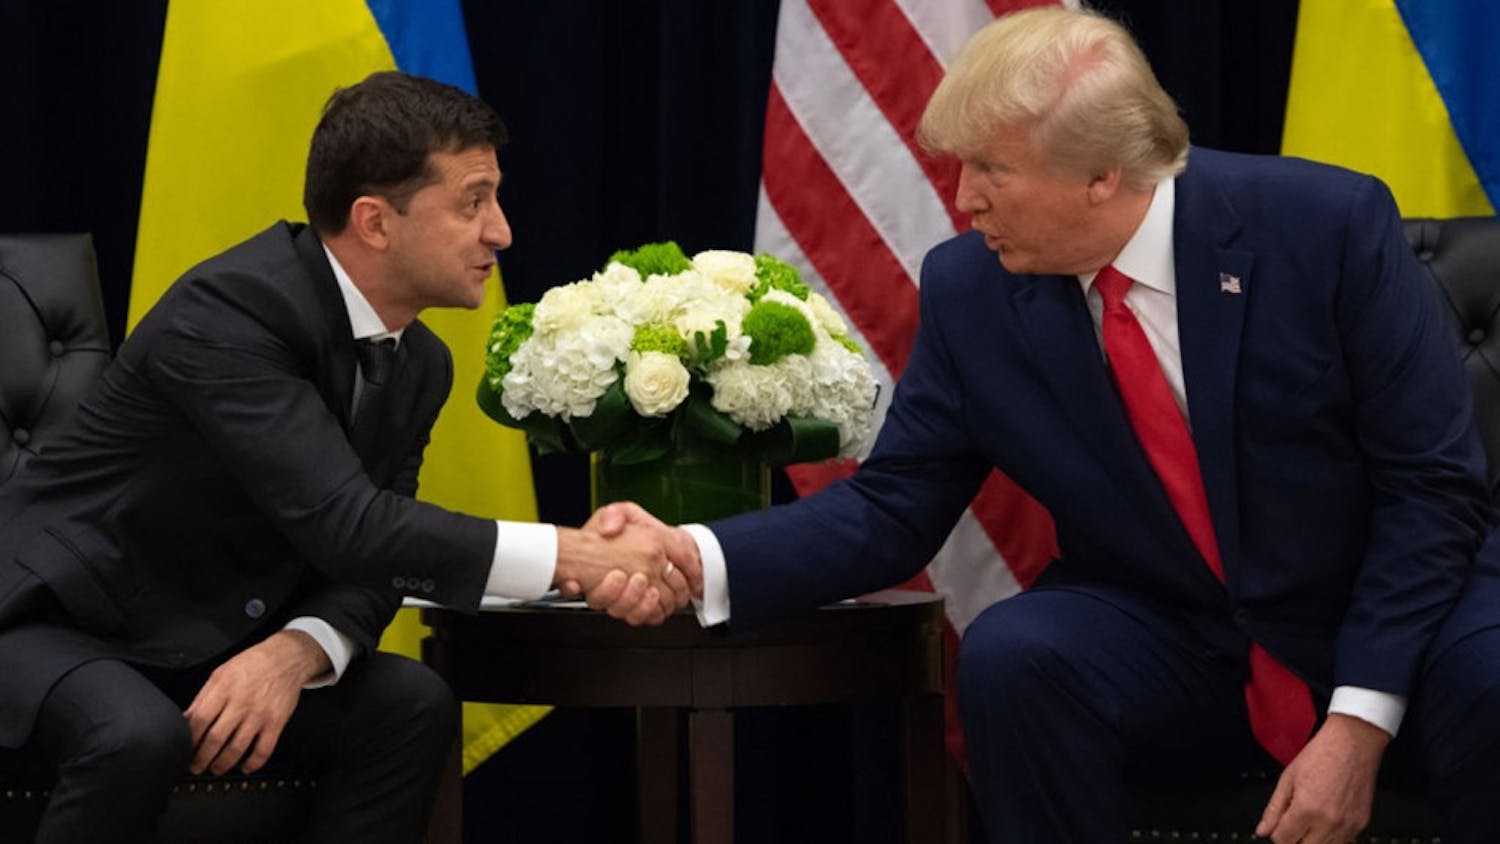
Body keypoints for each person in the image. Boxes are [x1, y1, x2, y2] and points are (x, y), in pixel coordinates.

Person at [592, 7, 1500, 842]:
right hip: (1175, 626)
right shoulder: (971, 288)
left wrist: (1359, 718)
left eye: (992, 169)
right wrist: (692, 554)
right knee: (1016, 656)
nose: (964, 198)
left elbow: (1431, 488)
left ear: (1104, 174)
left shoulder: (1324, 226)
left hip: (1390, 605)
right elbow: (892, 507)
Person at [0, 71, 694, 843]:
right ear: (373, 221)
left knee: (409, 706)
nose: (501, 231)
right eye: (473, 201)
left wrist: (301, 649)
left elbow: (375, 562)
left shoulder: (421, 363)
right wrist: (573, 556)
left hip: (207, 637)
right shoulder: (228, 314)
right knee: (135, 736)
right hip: (51, 624)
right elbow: (352, 525)